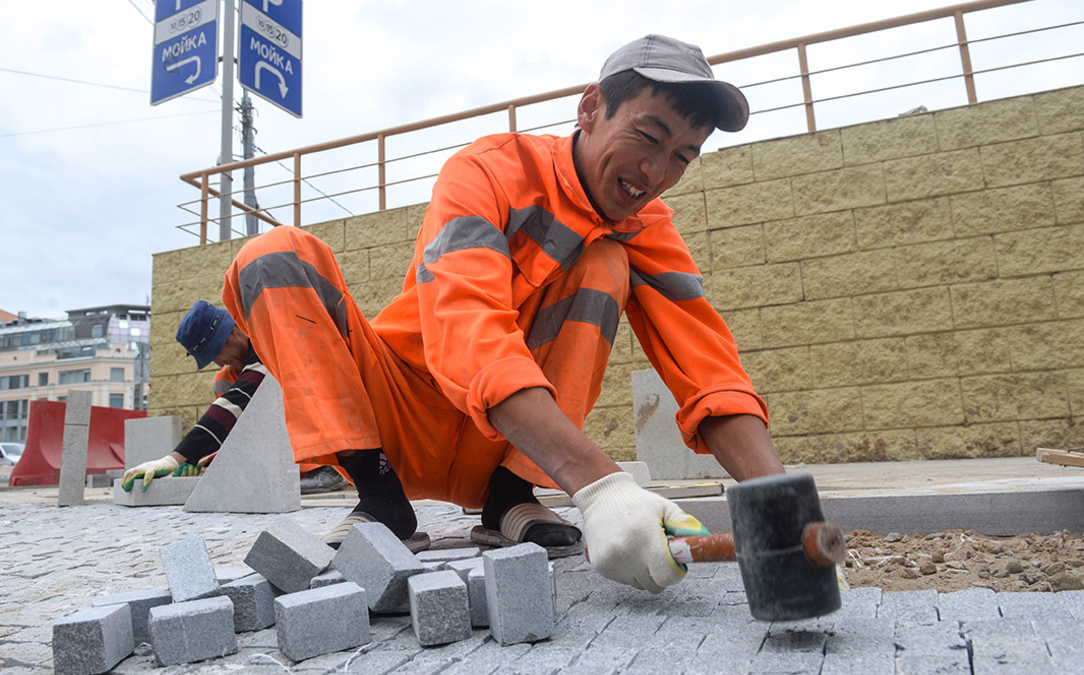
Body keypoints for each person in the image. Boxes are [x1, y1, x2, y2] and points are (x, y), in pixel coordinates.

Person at [220, 35, 786, 593]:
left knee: (605, 260)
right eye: (647, 136)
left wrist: (781, 508)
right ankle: (381, 498)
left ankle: (509, 496)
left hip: (507, 446)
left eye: (682, 157)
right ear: (590, 108)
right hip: (396, 415)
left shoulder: (646, 228)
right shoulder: (488, 172)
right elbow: (467, 322)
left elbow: (708, 368)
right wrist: (601, 488)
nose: (656, 172)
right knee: (271, 255)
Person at [121, 300, 347, 495]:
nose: (218, 362)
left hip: (332, 417)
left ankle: (325, 467)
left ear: (233, 332)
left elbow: (235, 402)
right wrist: (206, 456)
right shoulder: (226, 377)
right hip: (282, 459)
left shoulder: (267, 344)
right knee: (225, 381)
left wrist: (175, 458)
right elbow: (234, 425)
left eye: (216, 353)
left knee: (267, 387)